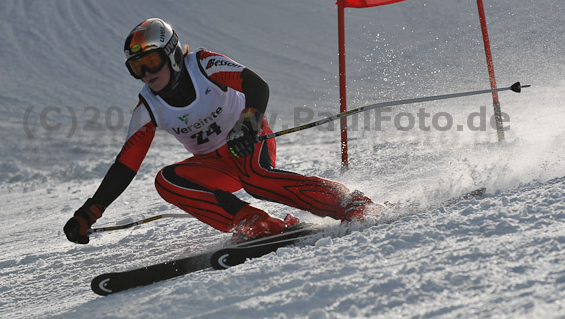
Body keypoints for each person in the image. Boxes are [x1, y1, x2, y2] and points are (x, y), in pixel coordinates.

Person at [63, 18, 381, 244]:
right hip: (214, 165)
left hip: (247, 138)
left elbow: (256, 85)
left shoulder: (202, 65)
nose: (147, 73)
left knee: (254, 178)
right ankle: (254, 222)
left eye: (152, 61)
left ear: (173, 54)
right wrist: (91, 212)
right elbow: (125, 166)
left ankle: (352, 203)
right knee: (165, 181)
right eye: (137, 67)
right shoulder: (148, 107)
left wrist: (248, 121)